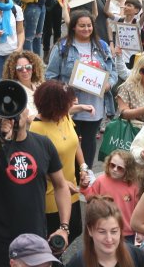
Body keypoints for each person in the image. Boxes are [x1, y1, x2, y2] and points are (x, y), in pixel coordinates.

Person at [0, 89, 71, 267]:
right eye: (9, 112)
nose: (15, 115)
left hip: (36, 238)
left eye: (20, 109)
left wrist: (64, 228)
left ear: (27, 112)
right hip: (1, 239)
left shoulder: (43, 144)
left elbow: (61, 186)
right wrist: (1, 141)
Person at [46, 9, 117, 166]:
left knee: (89, 142)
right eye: (82, 26)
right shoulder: (62, 47)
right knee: (70, 142)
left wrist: (108, 85)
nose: (86, 29)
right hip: (70, 105)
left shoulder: (102, 46)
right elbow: (50, 76)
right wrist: (65, 90)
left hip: (95, 105)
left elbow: (113, 72)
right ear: (73, 27)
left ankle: (87, 175)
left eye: (89, 25)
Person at [31, 81, 90, 244]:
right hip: (52, 194)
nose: (73, 103)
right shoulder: (36, 129)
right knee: (53, 237)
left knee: (75, 228)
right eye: (68, 102)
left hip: (71, 187)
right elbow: (37, 167)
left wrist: (83, 167)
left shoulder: (64, 117)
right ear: (54, 106)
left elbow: (75, 142)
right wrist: (61, 182)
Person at [66, 195, 144, 267]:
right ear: (90, 230)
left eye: (114, 231)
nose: (109, 239)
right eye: (102, 232)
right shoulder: (78, 262)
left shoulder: (137, 256)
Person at [80, 150, 140, 242]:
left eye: (120, 168)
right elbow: (91, 199)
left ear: (128, 169)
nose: (115, 169)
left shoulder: (134, 186)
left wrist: (140, 232)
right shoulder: (101, 180)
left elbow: (139, 210)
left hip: (126, 233)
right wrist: (84, 188)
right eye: (112, 165)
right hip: (104, 229)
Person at [1, 50, 45, 119]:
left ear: (33, 68)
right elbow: (29, 119)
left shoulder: (39, 85)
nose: (24, 71)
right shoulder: (16, 91)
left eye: (28, 67)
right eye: (19, 68)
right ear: (14, 72)